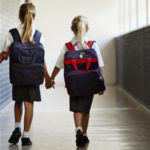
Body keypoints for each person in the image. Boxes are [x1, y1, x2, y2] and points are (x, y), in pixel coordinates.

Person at [49, 16, 105, 147]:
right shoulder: (93, 45)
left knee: (77, 108)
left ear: (71, 29)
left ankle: (78, 129)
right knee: (86, 109)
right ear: (88, 28)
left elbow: (58, 65)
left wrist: (51, 78)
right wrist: (101, 83)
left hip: (74, 83)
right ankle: (84, 134)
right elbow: (99, 65)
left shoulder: (68, 46)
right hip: (90, 82)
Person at [0, 3, 51, 146]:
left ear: (19, 16)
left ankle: (17, 127)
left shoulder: (12, 33)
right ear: (34, 17)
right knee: (29, 103)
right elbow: (42, 60)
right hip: (34, 76)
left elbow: (3, 54)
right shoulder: (39, 35)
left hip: (18, 75)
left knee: (18, 101)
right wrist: (47, 78)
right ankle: (26, 136)